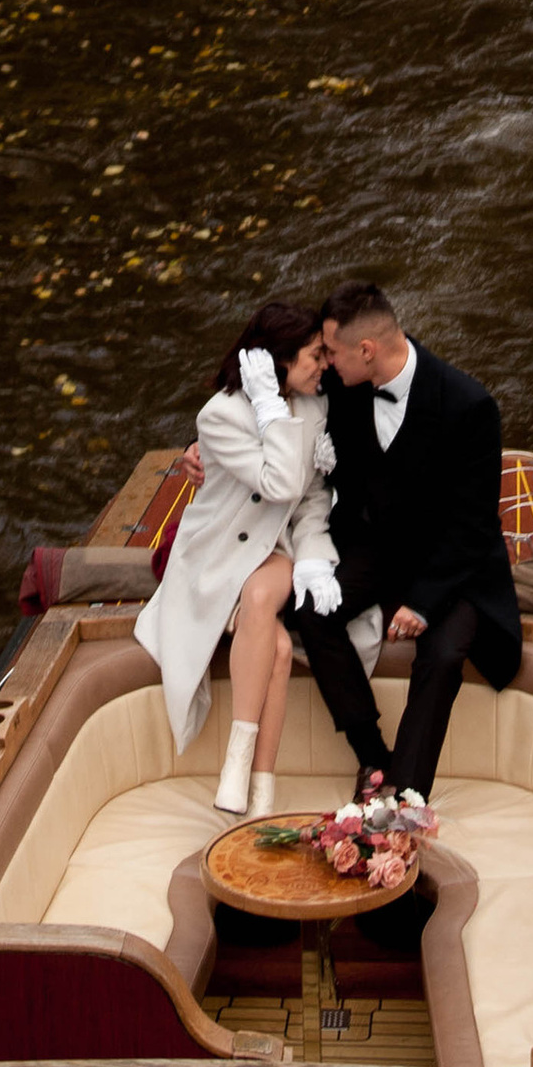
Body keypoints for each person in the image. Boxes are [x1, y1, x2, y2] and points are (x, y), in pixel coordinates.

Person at [288, 280, 522, 803]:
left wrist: (422, 602)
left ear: (365, 350)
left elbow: (474, 525)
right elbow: (275, 403)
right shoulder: (344, 388)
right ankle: (372, 756)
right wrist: (198, 448)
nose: (324, 363)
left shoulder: (470, 405)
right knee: (311, 608)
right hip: (377, 549)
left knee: (441, 655)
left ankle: (405, 796)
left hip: (454, 565)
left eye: (330, 352)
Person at [134, 296, 333, 817]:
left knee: (262, 591)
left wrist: (314, 555)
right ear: (279, 360)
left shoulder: (314, 406)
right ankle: (259, 783)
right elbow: (279, 481)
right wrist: (267, 405)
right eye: (314, 355)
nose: (324, 364)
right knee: (281, 652)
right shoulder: (220, 414)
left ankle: (235, 768)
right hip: (218, 550)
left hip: (275, 548)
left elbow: (303, 491)